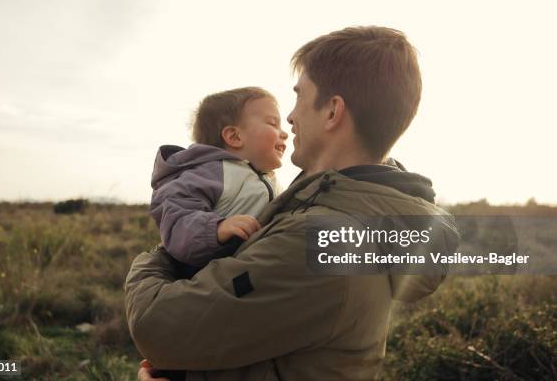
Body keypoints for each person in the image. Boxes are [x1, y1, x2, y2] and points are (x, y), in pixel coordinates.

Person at [126, 26, 459, 380]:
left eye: (299, 97)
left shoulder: (319, 238)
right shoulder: (343, 208)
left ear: (332, 112)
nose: (290, 117)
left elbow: (156, 329)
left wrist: (155, 258)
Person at [149, 87, 287, 278]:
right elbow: (177, 218)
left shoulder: (269, 179)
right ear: (234, 137)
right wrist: (216, 229)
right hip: (203, 282)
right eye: (273, 124)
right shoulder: (210, 172)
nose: (284, 133)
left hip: (247, 278)